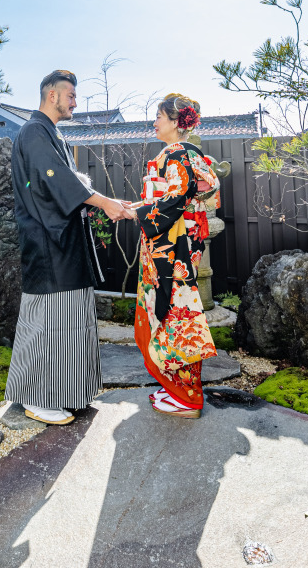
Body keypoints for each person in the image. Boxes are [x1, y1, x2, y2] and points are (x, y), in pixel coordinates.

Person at [4, 68, 131, 425]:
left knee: (70, 321)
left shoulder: (50, 134)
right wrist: (104, 203)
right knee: (47, 322)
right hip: (48, 242)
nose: (75, 101)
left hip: (63, 239)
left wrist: (106, 201)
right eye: (70, 95)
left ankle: (68, 392)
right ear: (51, 96)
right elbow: (57, 183)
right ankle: (38, 398)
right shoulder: (33, 132)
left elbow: (71, 184)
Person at [124, 93, 220, 418]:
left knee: (172, 316)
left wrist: (137, 213)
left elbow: (175, 201)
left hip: (170, 249)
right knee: (179, 316)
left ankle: (188, 397)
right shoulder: (191, 155)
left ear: (177, 122)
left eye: (159, 117)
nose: (154, 122)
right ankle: (178, 391)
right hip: (180, 244)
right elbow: (199, 197)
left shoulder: (176, 153)